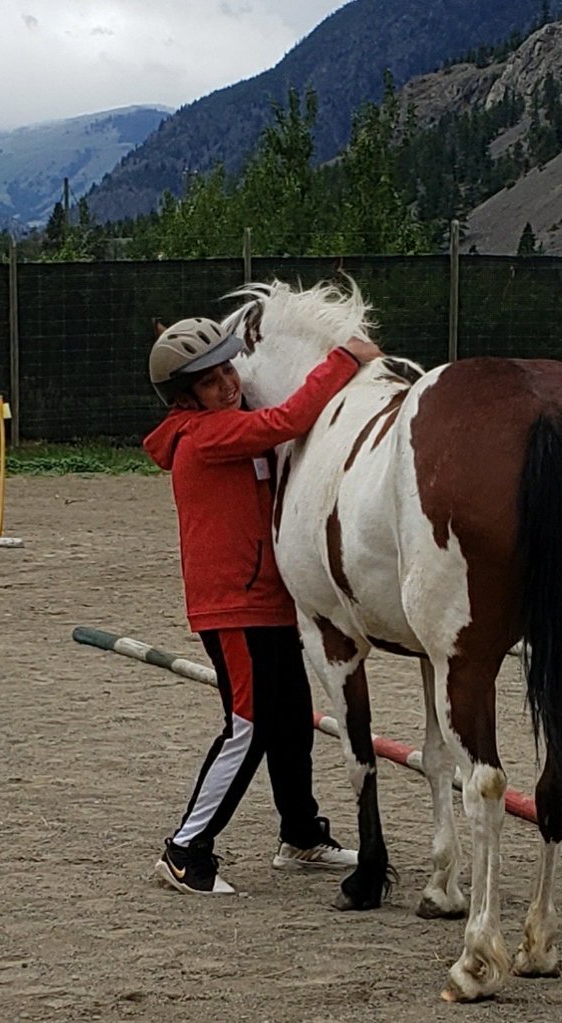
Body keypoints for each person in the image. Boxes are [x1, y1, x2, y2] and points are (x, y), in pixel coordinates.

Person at [143, 314, 382, 895]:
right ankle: (185, 850)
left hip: (268, 603)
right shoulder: (205, 435)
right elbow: (290, 418)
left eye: (229, 368)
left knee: (292, 720)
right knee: (245, 728)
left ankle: (300, 834)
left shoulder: (224, 420)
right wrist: (344, 359)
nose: (228, 382)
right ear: (185, 397)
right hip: (233, 608)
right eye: (210, 379)